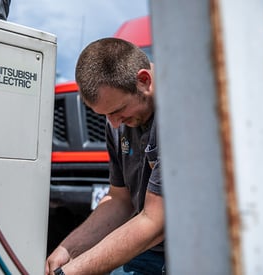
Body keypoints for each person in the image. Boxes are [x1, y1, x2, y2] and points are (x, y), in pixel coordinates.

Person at [45, 37, 166, 275]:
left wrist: (72, 271)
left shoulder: (180, 113)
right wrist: (70, 249)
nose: (113, 123)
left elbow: (156, 222)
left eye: (118, 110)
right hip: (150, 249)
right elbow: (120, 200)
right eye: (104, 115)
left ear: (144, 81)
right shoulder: (116, 123)